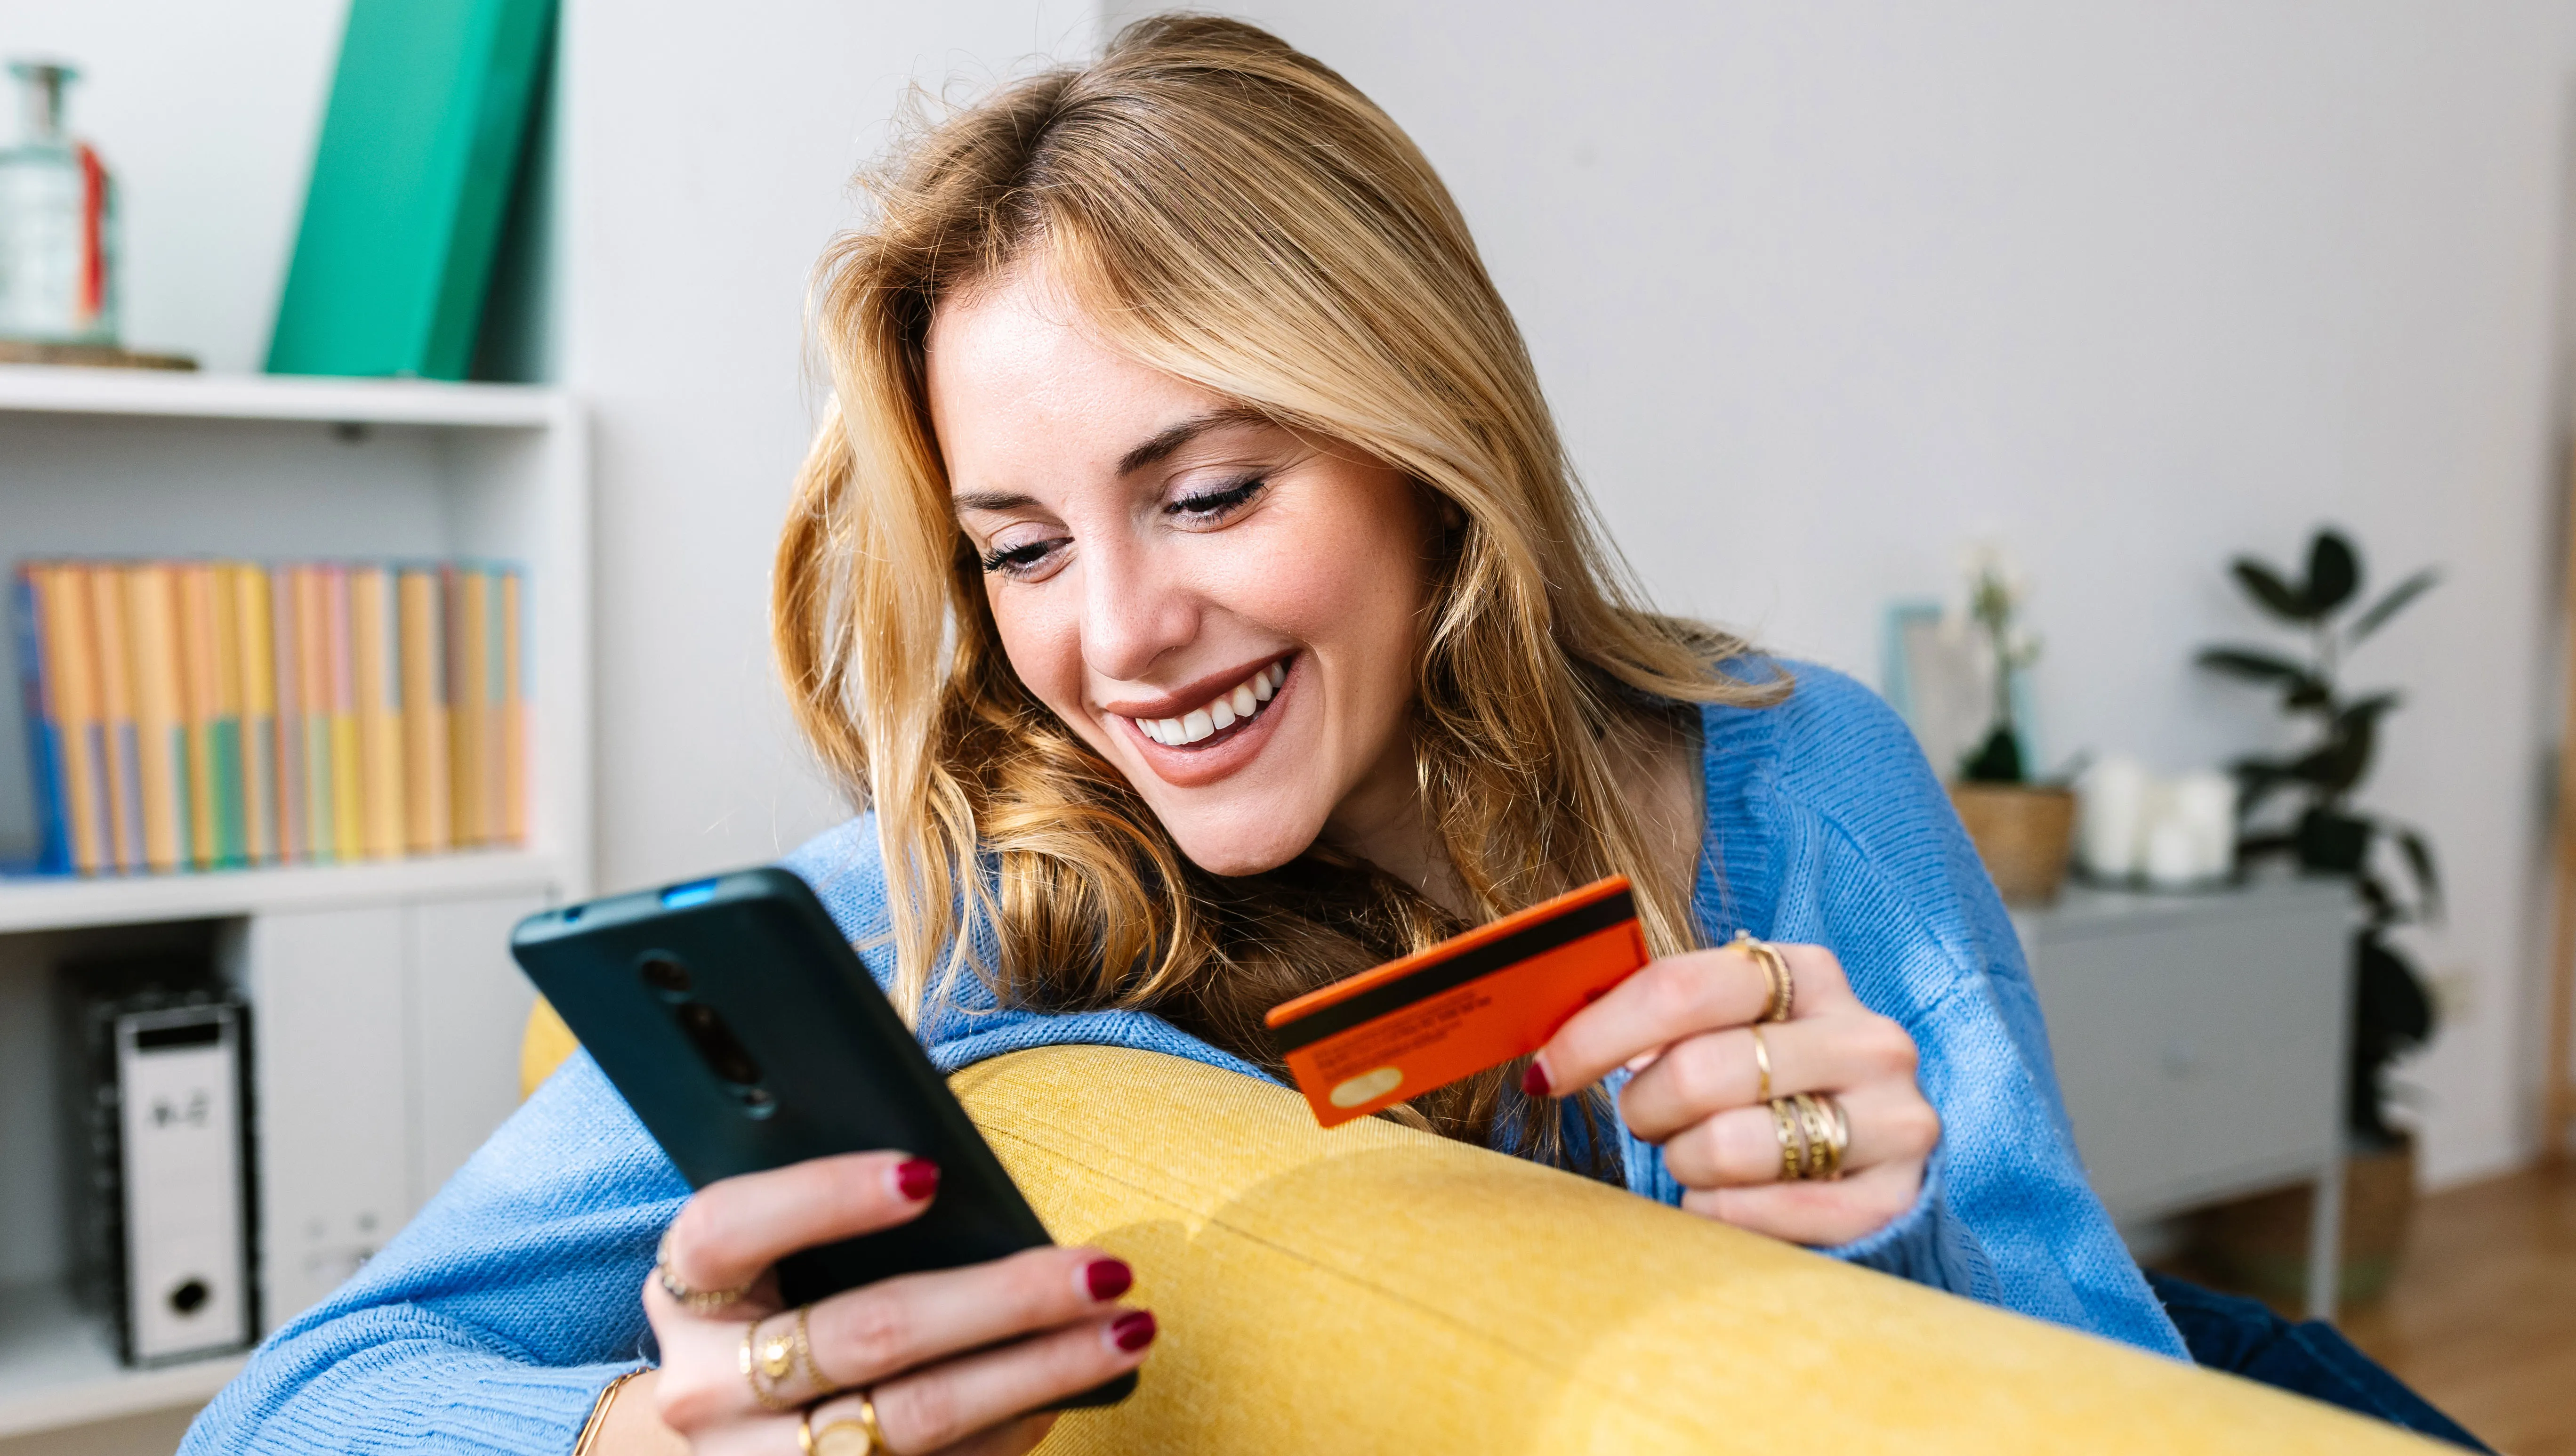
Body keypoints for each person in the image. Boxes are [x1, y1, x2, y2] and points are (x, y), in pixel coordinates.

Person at [183, 16, 2485, 1456]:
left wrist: (1876, 1235)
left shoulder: (1794, 778)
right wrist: (626, 1434)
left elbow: (2088, 1388)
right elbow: (287, 1405)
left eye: (1211, 491)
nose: (1123, 634)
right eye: (1020, 546)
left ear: (1419, 446)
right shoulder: (923, 916)